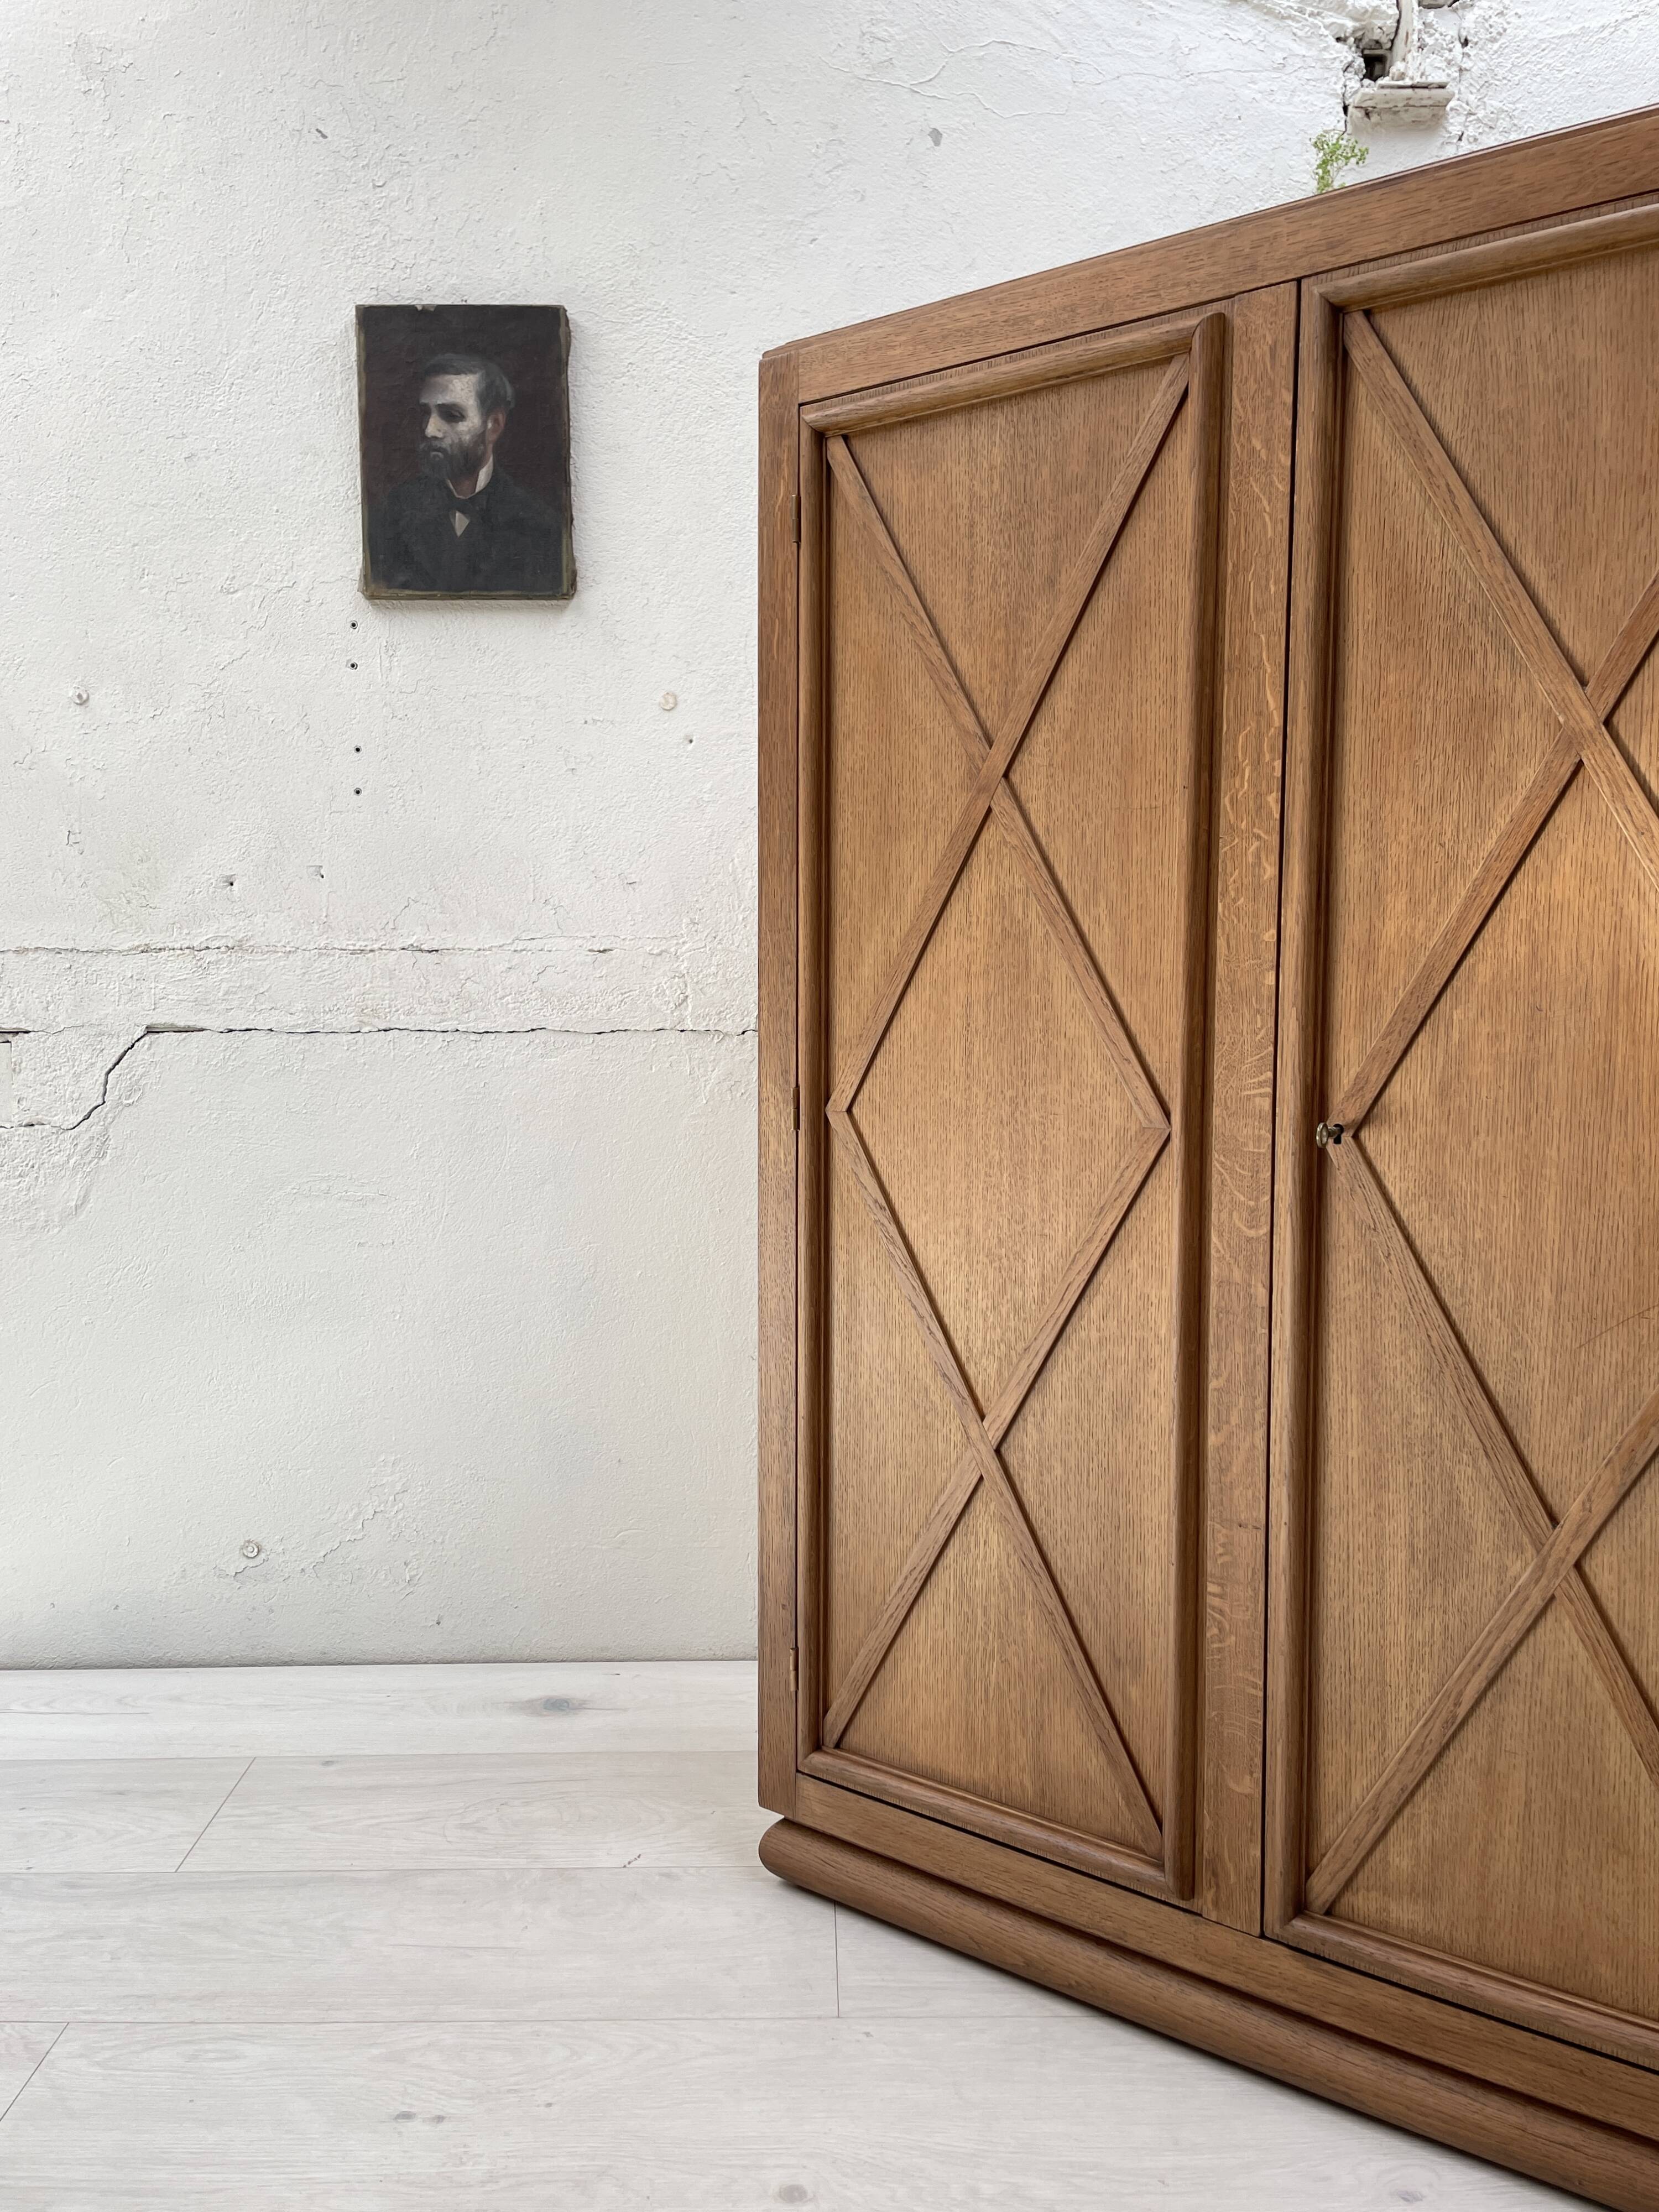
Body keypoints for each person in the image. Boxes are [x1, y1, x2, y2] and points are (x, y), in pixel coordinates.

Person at [367, 353, 565, 594]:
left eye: (452, 415)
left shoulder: (540, 526)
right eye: (425, 414)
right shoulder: (390, 515)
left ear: (493, 426)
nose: (431, 430)